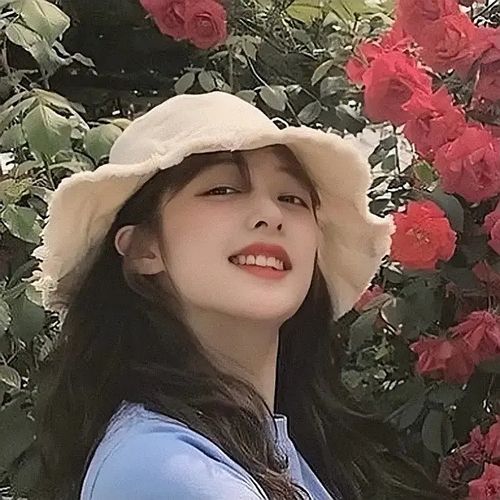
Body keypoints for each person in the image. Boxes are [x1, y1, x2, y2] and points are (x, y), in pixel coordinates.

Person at [32, 91, 451, 499]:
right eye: (223, 189)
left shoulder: (296, 451)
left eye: (292, 198)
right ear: (144, 249)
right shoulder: (162, 468)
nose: (271, 215)